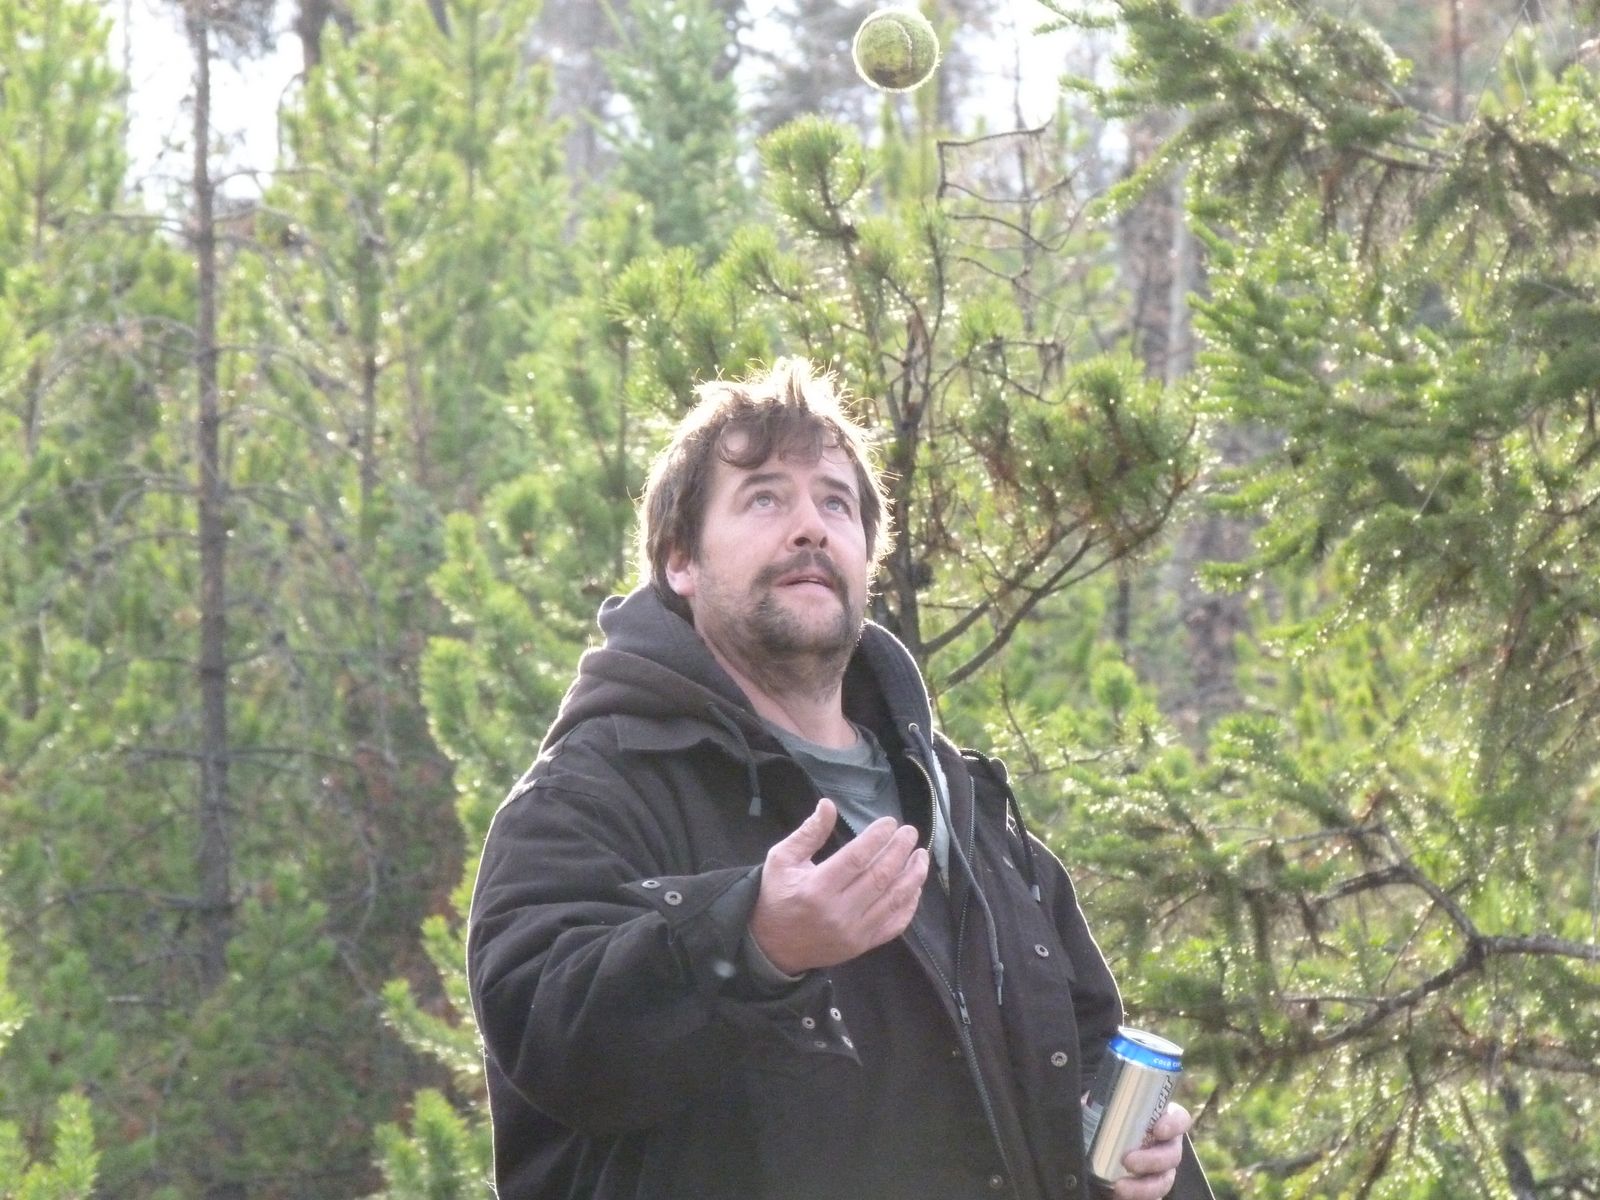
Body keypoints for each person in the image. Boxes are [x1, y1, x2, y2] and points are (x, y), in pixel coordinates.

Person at [466, 358, 1214, 1200]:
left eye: (835, 503)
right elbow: (548, 1043)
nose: (810, 528)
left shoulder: (965, 812)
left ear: (866, 555)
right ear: (680, 562)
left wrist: (1143, 1170)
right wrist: (752, 945)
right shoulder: (592, 791)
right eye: (764, 499)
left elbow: (1086, 1062)